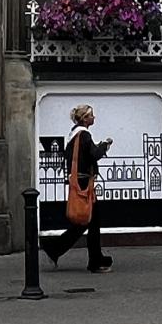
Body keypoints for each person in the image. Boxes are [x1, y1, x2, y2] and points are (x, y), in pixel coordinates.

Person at [43, 103, 113, 273]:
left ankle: (57, 248)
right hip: (84, 185)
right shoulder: (84, 135)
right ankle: (94, 261)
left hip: (79, 182)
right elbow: (94, 155)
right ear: (85, 119)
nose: (94, 118)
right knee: (90, 221)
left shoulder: (73, 136)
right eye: (91, 115)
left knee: (87, 221)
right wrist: (105, 145)